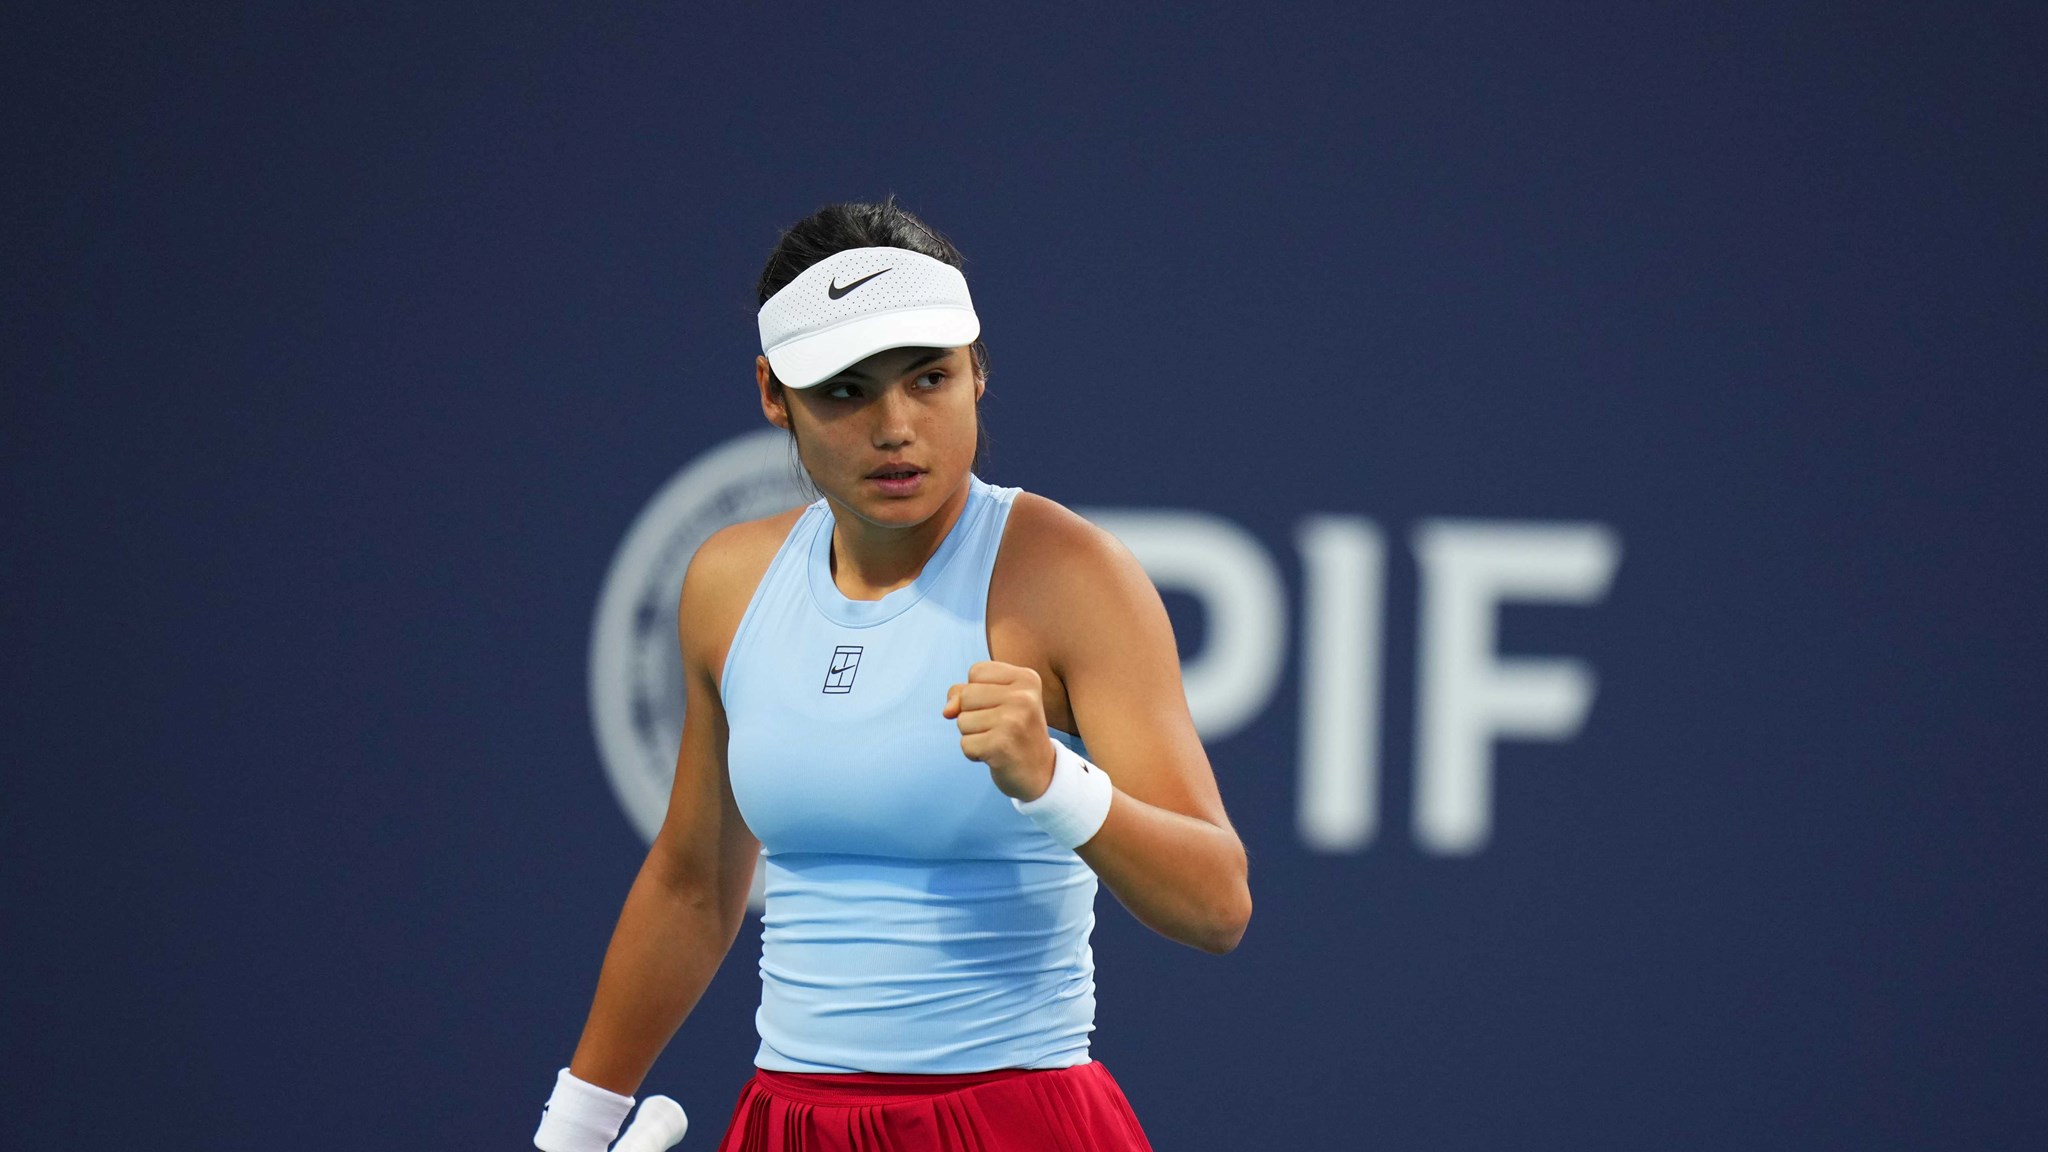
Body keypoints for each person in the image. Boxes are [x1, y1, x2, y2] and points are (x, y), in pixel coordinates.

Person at [533, 198, 1251, 1152]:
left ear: (979, 370)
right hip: (785, 1125)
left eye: (929, 378)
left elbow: (1217, 905)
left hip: (1014, 1124)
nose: (896, 426)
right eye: (845, 391)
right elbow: (694, 883)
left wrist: (1056, 782)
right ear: (771, 393)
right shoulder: (727, 583)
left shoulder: (1071, 579)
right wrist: (575, 1129)